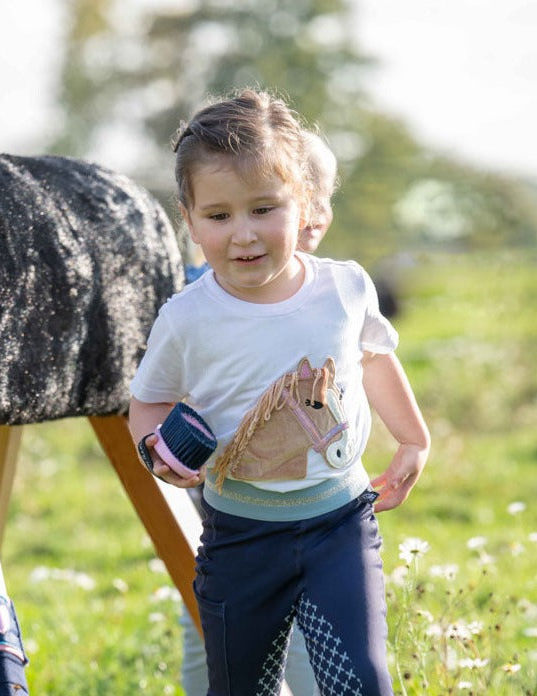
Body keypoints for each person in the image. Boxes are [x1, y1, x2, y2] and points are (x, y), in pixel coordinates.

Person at [129, 89, 430, 695]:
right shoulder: (187, 317)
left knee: (362, 682)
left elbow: (373, 357)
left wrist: (413, 439)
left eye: (264, 208)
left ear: (306, 208)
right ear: (188, 221)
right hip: (240, 534)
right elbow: (149, 401)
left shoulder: (344, 289)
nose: (244, 234)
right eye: (219, 216)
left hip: (339, 522)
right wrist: (156, 451)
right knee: (243, 687)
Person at [179, 127, 338, 696]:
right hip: (226, 499)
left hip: (309, 505)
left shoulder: (328, 297)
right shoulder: (204, 296)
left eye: (321, 202)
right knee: (213, 627)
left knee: (307, 629)